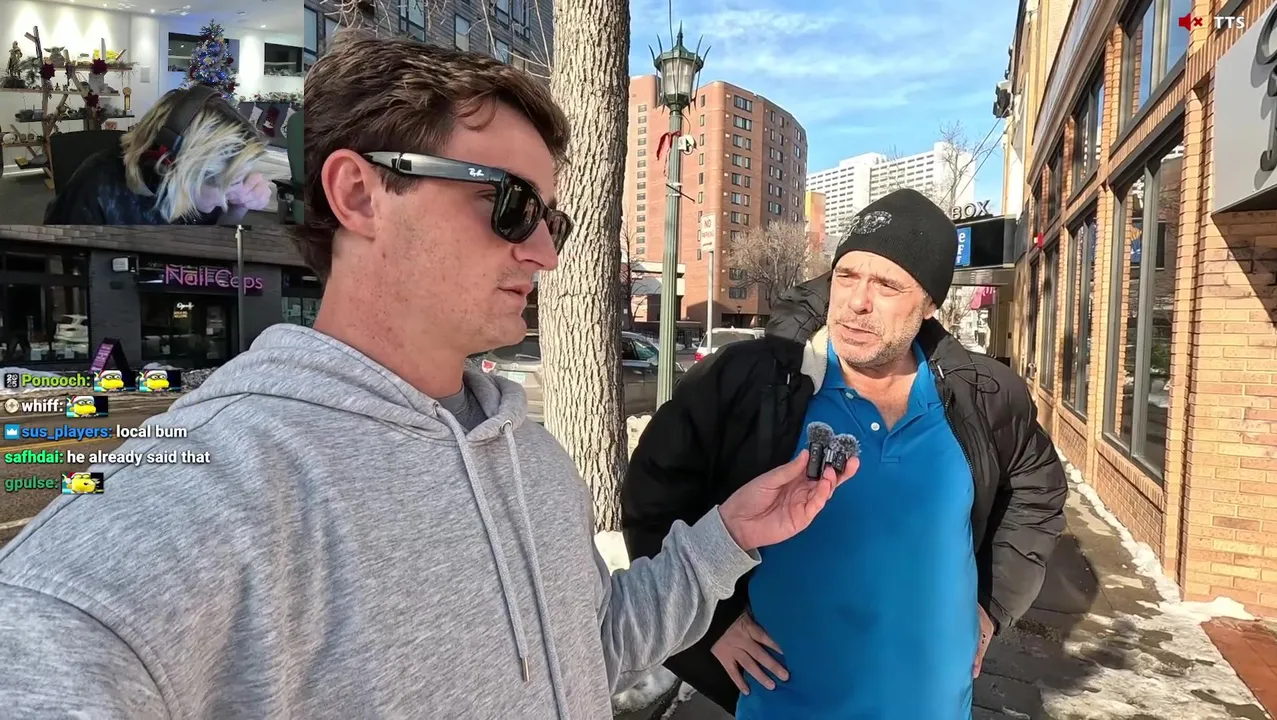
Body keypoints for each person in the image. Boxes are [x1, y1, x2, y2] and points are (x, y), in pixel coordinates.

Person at [0, 35, 860, 718]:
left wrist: (727, 537)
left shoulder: (535, 462)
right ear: (359, 195)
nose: (546, 250)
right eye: (509, 204)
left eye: (552, 219)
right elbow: (51, 641)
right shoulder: (207, 483)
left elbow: (588, 650)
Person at [622, 189, 1069, 718]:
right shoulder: (753, 382)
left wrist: (992, 604)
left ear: (930, 303)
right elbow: (653, 500)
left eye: (887, 285)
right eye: (847, 275)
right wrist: (710, 625)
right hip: (785, 705)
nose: (857, 301)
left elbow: (1036, 492)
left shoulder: (982, 394)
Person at [43, 86, 272, 224]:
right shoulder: (94, 191)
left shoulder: (204, 183)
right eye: (232, 183)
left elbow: (212, 248)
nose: (235, 191)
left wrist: (239, 208)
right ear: (172, 170)